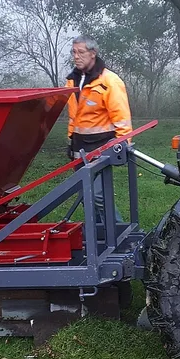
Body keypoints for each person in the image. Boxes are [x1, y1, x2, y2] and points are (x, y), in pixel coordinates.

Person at [65, 35, 132, 224]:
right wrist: (70, 140)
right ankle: (98, 238)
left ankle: (117, 232)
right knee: (86, 197)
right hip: (80, 150)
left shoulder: (110, 81)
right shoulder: (71, 81)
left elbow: (122, 118)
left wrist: (122, 145)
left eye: (81, 52)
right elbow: (73, 117)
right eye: (74, 52)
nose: (76, 56)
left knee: (98, 196)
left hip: (103, 149)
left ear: (93, 54)